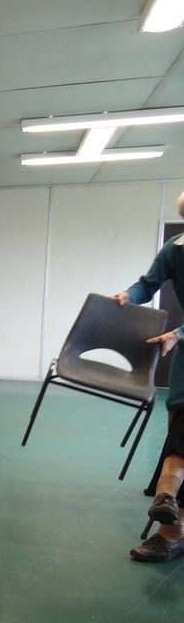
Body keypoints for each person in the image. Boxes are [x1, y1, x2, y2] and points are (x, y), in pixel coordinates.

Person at [112, 190, 184, 562]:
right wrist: (129, 295)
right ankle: (170, 513)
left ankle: (170, 525)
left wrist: (178, 334)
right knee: (178, 433)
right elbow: (148, 283)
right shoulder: (176, 247)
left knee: (181, 442)